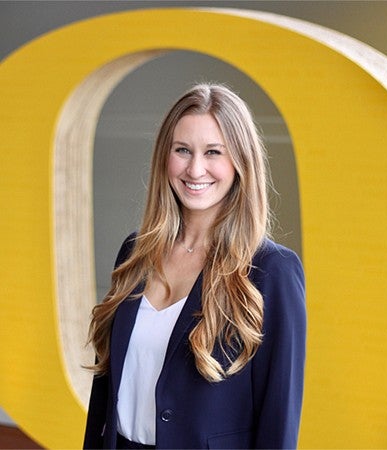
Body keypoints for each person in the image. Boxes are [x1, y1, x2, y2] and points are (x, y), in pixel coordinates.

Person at [83, 83, 306, 450]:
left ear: (240, 162)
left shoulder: (272, 272)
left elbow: (278, 422)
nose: (195, 168)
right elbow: (105, 393)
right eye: (182, 150)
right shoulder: (135, 252)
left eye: (213, 152)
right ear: (164, 158)